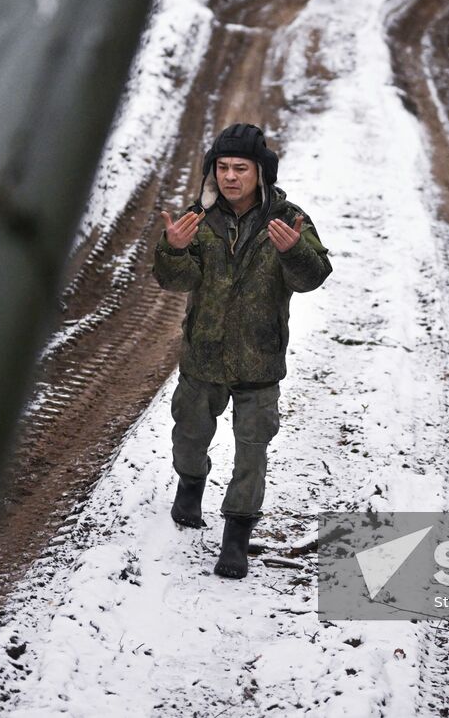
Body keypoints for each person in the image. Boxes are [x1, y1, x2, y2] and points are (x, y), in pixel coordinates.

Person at [153, 123, 332, 579]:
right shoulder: (198, 219)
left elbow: (311, 278)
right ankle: (190, 484)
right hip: (203, 357)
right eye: (222, 167)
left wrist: (295, 253)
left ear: (261, 174)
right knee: (189, 435)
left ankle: (236, 536)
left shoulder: (288, 220)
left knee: (253, 452)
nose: (230, 177)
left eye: (241, 168)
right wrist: (172, 250)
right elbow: (176, 281)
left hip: (259, 359)